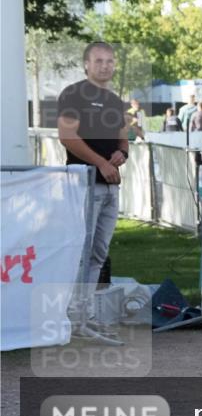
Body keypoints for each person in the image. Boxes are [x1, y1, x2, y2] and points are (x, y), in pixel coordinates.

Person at [57, 41, 128, 345]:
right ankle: (68, 315)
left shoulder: (115, 101)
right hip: (85, 183)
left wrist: (121, 155)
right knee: (80, 252)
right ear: (86, 64)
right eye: (99, 61)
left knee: (99, 252)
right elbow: (67, 137)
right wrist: (99, 162)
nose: (105, 66)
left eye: (110, 61)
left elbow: (123, 141)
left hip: (111, 186)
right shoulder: (73, 94)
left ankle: (82, 317)